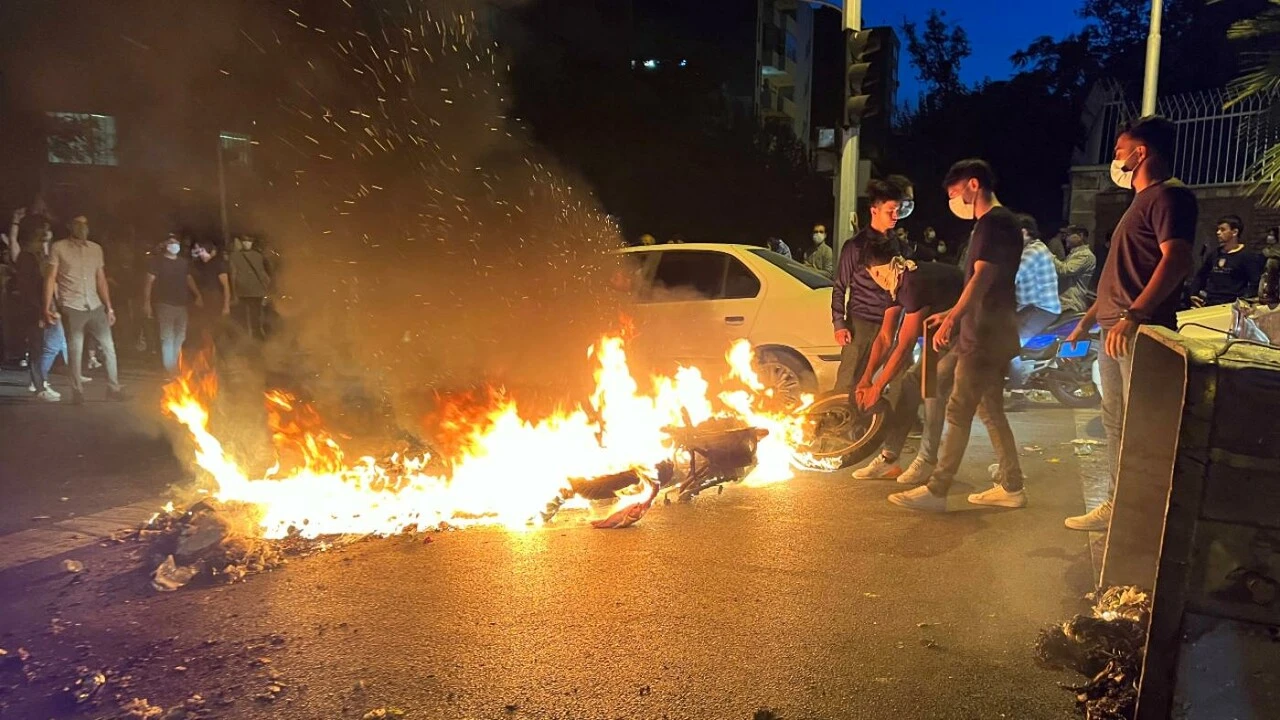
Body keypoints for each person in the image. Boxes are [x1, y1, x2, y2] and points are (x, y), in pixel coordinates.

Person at [1064, 116, 1197, 531]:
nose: (1116, 159)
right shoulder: (1140, 202)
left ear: (1141, 153)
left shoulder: (1168, 198)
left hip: (1136, 330)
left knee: (1140, 424)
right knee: (1116, 420)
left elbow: (1176, 259)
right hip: (1115, 326)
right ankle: (1119, 507)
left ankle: (1140, 514)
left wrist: (1134, 315)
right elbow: (1121, 273)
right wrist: (1089, 320)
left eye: (1120, 151)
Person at [888, 159, 1026, 512]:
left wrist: (953, 321)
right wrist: (951, 313)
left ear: (973, 185)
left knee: (958, 407)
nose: (954, 201)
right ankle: (1011, 485)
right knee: (990, 408)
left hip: (983, 333)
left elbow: (981, 279)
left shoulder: (993, 223)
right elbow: (981, 281)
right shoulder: (1000, 223)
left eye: (954, 192)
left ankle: (937, 489)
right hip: (991, 329)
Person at [850, 249, 966, 484]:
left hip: (972, 325)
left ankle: (927, 461)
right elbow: (885, 337)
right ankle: (889, 459)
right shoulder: (893, 285)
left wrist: (878, 387)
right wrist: (866, 379)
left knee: (932, 386)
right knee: (911, 383)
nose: (879, 277)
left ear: (895, 263)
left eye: (882, 271)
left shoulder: (912, 283)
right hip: (940, 329)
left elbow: (904, 345)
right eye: (873, 273)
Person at [43, 215, 126, 404]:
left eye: (85, 225)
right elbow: (50, 278)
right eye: (78, 224)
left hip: (95, 305)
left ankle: (113, 388)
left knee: (108, 347)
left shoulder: (96, 249)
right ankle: (77, 392)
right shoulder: (59, 248)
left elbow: (101, 279)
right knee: (75, 349)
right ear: (70, 226)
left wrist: (109, 307)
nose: (82, 228)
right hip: (72, 305)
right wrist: (46, 307)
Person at [831, 180, 902, 392]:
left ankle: (885, 422)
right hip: (860, 324)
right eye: (890, 211)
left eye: (897, 211)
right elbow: (839, 286)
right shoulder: (855, 246)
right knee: (849, 380)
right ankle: (840, 421)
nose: (895, 216)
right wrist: (839, 323)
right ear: (874, 211)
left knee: (894, 378)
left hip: (891, 323)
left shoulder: (895, 244)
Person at [1007, 214, 1062, 397]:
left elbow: (1013, 276)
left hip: (1042, 308)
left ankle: (1018, 391)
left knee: (1011, 343)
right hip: (1031, 306)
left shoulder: (1033, 252)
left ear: (1023, 232)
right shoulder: (1031, 248)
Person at [143, 234, 199, 375]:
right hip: (164, 304)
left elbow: (189, 279)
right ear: (165, 245)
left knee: (180, 337)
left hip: (182, 304)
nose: (174, 245)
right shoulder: (157, 262)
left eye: (176, 242)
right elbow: (148, 282)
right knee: (167, 337)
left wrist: (197, 294)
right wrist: (146, 303)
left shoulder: (183, 263)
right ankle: (170, 369)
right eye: (171, 243)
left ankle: (174, 365)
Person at [1188, 215, 1264, 308]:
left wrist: (1245, 300)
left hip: (1231, 304)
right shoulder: (1214, 254)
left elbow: (1255, 282)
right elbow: (1201, 276)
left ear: (1235, 232)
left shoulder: (1247, 256)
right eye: (1218, 229)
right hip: (1210, 302)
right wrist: (1194, 293)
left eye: (1222, 230)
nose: (1218, 233)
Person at [188, 239, 231, 351]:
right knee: (205, 329)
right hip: (204, 301)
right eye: (198, 250)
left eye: (202, 250)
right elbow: (189, 277)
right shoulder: (199, 265)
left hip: (216, 300)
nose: (200, 253)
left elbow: (226, 286)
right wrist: (198, 295)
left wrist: (226, 306)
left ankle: (225, 360)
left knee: (218, 331)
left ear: (209, 251)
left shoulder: (218, 264)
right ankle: (208, 359)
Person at [229, 234, 272, 340]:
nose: (246, 243)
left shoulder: (256, 256)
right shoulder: (237, 256)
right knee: (253, 316)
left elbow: (262, 274)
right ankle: (254, 337)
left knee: (251, 316)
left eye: (248, 241)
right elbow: (264, 275)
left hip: (250, 292)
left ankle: (251, 337)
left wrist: (234, 293)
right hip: (247, 292)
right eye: (244, 241)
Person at [1054, 226, 1097, 313]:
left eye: (1068, 235)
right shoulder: (1075, 254)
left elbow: (1065, 270)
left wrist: (1048, 255)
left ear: (1080, 236)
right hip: (1065, 302)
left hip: (1071, 303)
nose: (1066, 238)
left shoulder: (1085, 255)